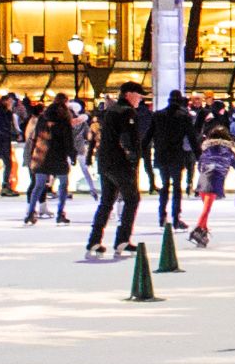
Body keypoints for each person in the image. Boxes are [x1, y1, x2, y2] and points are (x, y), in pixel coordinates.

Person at [85, 80, 147, 258]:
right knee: (132, 199)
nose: (140, 99)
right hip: (120, 163)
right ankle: (122, 239)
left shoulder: (110, 111)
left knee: (106, 201)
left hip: (105, 161)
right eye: (138, 95)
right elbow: (127, 138)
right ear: (129, 94)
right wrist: (133, 157)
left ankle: (94, 240)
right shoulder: (127, 112)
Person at [152, 89, 199, 226]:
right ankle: (176, 218)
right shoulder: (183, 116)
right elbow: (191, 137)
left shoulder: (158, 115)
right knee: (177, 186)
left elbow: (149, 134)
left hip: (161, 155)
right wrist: (199, 155)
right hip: (176, 155)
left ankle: (162, 216)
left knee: (164, 185)